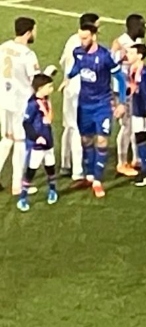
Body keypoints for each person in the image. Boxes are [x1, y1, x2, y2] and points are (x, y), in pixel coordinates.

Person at [63, 23, 127, 198]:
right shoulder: (78, 52)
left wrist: (121, 103)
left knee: (102, 141)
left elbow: (120, 78)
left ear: (93, 36)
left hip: (102, 104)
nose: (82, 41)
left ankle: (98, 180)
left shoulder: (105, 56)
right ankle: (90, 175)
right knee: (86, 140)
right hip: (84, 104)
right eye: (80, 37)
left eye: (85, 38)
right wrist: (69, 77)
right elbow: (77, 66)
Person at [0, 17, 41, 196]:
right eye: (34, 30)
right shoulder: (27, 55)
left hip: (4, 100)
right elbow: (37, 81)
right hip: (20, 104)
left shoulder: (3, 47)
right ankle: (17, 185)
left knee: (7, 139)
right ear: (28, 32)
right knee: (20, 142)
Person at [59, 13, 98, 182]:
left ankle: (65, 163)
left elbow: (63, 62)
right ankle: (77, 170)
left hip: (69, 88)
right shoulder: (89, 45)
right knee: (78, 129)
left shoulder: (71, 40)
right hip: (82, 90)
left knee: (68, 126)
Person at [111, 13, 146, 177]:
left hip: (132, 90)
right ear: (134, 27)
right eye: (142, 25)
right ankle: (121, 162)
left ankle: (137, 158)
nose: (144, 28)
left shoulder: (135, 43)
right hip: (122, 91)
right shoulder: (121, 44)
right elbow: (112, 66)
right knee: (127, 127)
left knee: (134, 125)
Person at [17, 74, 58, 212]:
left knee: (50, 167)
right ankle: (22, 198)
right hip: (38, 143)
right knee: (31, 170)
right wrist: (35, 137)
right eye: (49, 87)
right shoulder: (33, 104)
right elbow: (26, 123)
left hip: (48, 140)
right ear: (41, 88)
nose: (52, 89)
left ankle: (52, 190)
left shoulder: (45, 99)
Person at [125, 43, 146, 187]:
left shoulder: (145, 73)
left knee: (140, 139)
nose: (128, 55)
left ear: (139, 55)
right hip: (137, 109)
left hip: (144, 111)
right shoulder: (133, 70)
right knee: (139, 138)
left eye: (131, 53)